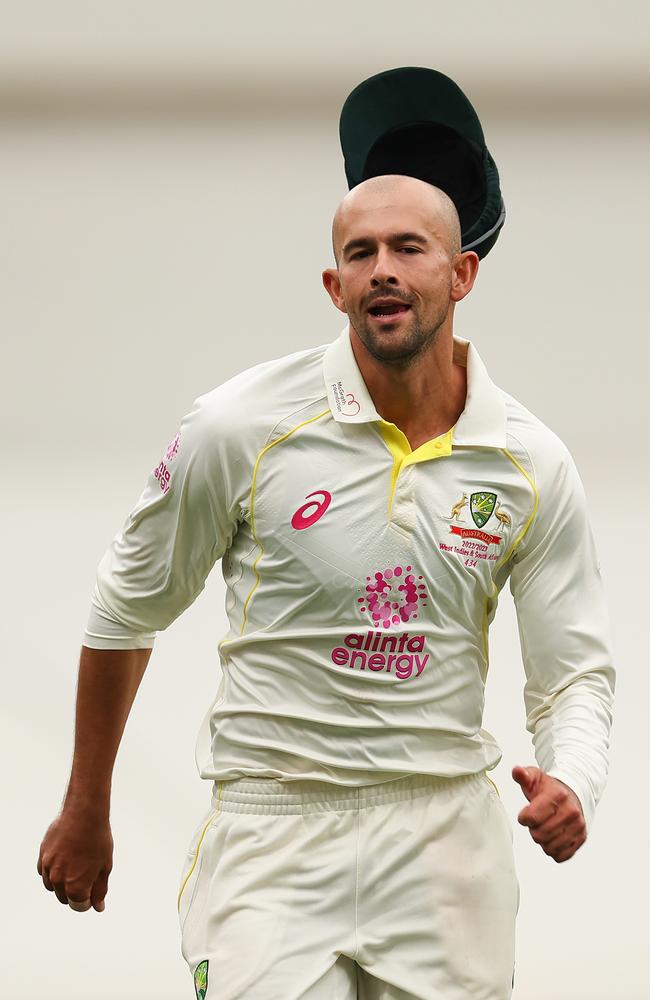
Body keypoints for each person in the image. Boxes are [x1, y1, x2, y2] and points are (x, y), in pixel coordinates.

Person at [37, 173, 615, 1000]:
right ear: (334, 286)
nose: (382, 268)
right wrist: (85, 807)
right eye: (360, 252)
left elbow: (573, 671)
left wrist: (576, 778)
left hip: (444, 840)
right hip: (274, 832)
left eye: (408, 248)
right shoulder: (239, 426)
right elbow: (126, 606)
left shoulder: (530, 460)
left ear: (463, 275)